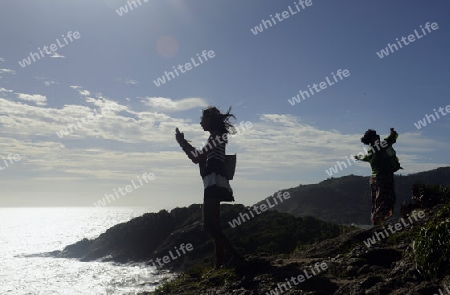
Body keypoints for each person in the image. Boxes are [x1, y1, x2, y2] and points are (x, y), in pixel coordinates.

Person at [175, 106, 244, 268]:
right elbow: (200, 157)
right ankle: (219, 263)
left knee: (208, 225)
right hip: (216, 181)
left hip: (213, 182)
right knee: (216, 225)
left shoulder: (217, 137)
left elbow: (197, 158)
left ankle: (236, 257)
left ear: (211, 121)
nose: (200, 123)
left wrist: (182, 143)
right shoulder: (218, 137)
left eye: (203, 119)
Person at [354, 128, 399, 226]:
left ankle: (377, 221)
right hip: (384, 177)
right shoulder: (381, 146)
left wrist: (358, 157)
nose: (378, 136)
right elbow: (391, 139)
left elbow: (365, 157)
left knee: (377, 201)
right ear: (373, 138)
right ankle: (377, 221)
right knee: (387, 199)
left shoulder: (371, 150)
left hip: (374, 179)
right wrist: (393, 133)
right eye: (376, 135)